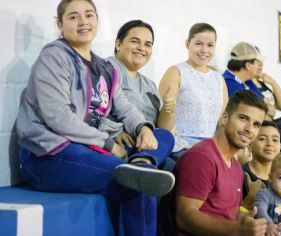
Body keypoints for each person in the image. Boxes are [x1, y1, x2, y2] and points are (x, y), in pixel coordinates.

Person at [16, 1, 174, 235]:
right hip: (48, 155)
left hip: (89, 150)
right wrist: (109, 144)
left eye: (89, 15)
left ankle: (143, 162)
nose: (83, 22)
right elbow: (57, 117)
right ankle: (141, 169)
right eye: (73, 17)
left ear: (97, 21)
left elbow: (125, 107)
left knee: (163, 135)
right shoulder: (54, 57)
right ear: (60, 24)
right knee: (138, 183)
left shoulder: (104, 67)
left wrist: (143, 128)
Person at [170, 90, 268, 235]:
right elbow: (184, 218)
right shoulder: (202, 157)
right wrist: (237, 230)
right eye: (243, 118)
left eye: (256, 125)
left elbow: (229, 215)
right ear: (224, 118)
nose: (249, 129)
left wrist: (252, 225)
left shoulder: (236, 168)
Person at [107, 20, 175, 170]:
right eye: (135, 41)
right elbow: (94, 107)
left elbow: (161, 127)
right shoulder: (108, 69)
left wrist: (168, 109)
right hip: (125, 142)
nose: (141, 48)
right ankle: (141, 165)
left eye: (147, 44)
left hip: (147, 144)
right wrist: (115, 131)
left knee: (173, 160)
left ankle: (142, 165)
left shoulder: (149, 84)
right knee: (169, 156)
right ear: (118, 44)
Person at [158, 22, 228, 155]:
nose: (204, 50)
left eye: (210, 45)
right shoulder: (176, 72)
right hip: (179, 144)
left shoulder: (219, 80)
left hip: (209, 147)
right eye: (198, 43)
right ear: (187, 44)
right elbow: (160, 117)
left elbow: (222, 123)